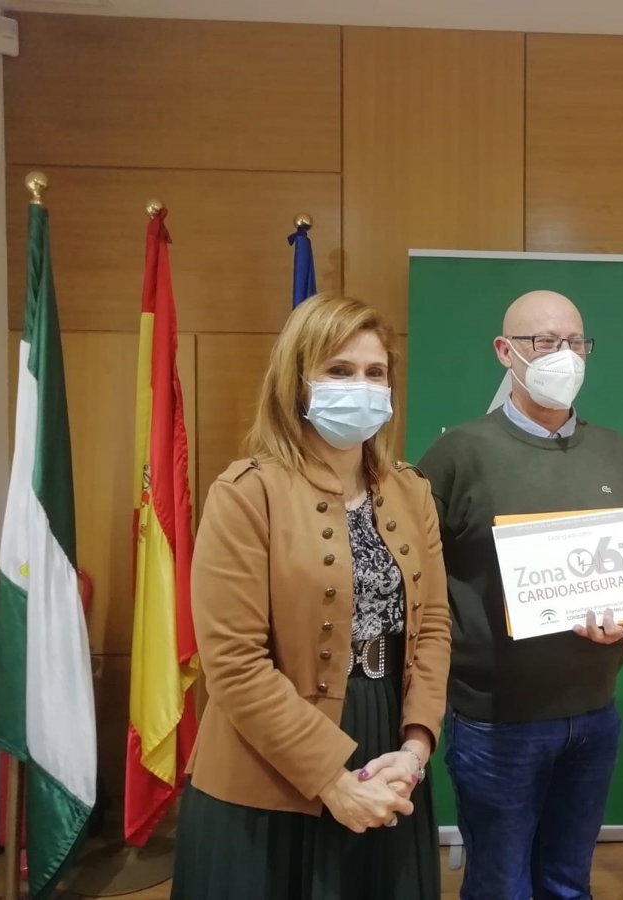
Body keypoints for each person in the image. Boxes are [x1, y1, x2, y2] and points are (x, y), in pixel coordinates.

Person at [172, 294, 451, 899]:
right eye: (339, 371)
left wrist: (415, 748)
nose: (362, 387)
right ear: (297, 383)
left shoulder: (412, 492)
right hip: (268, 761)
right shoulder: (246, 493)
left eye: (375, 373)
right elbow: (234, 664)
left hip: (388, 741)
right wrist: (332, 782)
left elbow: (432, 628)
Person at [418, 290, 623, 900]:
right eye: (545, 341)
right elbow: (416, 578)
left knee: (567, 882)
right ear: (506, 352)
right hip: (496, 721)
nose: (564, 355)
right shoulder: (458, 453)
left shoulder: (615, 451)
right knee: (500, 885)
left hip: (594, 715)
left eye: (575, 342)